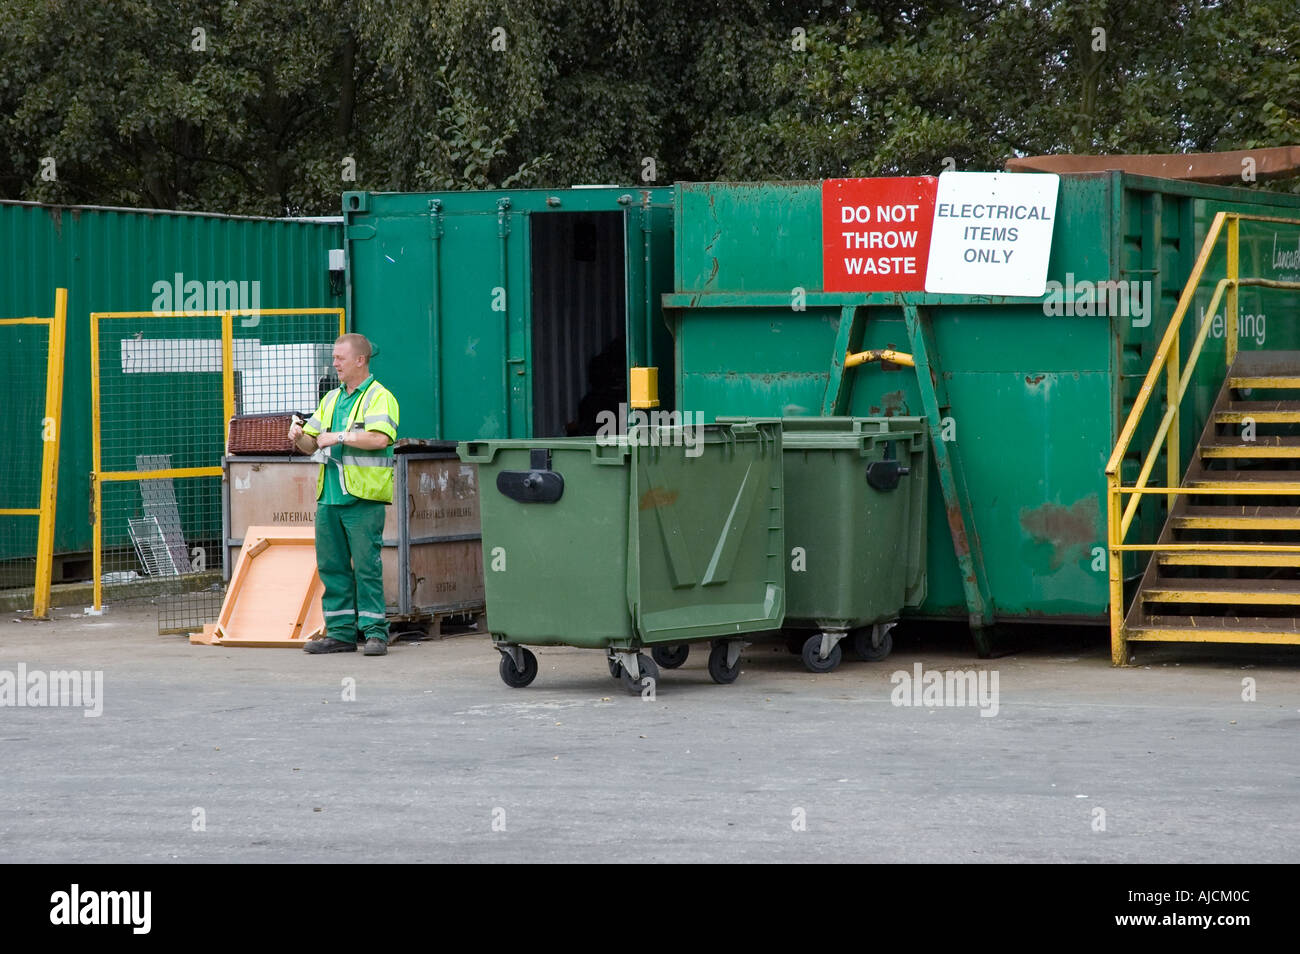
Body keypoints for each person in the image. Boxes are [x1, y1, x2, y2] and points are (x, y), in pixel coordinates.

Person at [287, 333, 400, 656]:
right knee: (332, 566)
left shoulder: (380, 397)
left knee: (367, 567)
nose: (334, 363)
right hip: (330, 498)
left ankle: (376, 633)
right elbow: (313, 443)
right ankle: (340, 634)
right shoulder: (331, 399)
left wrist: (337, 435)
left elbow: (380, 439)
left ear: (360, 360)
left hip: (363, 499)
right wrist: (299, 437)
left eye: (340, 358)